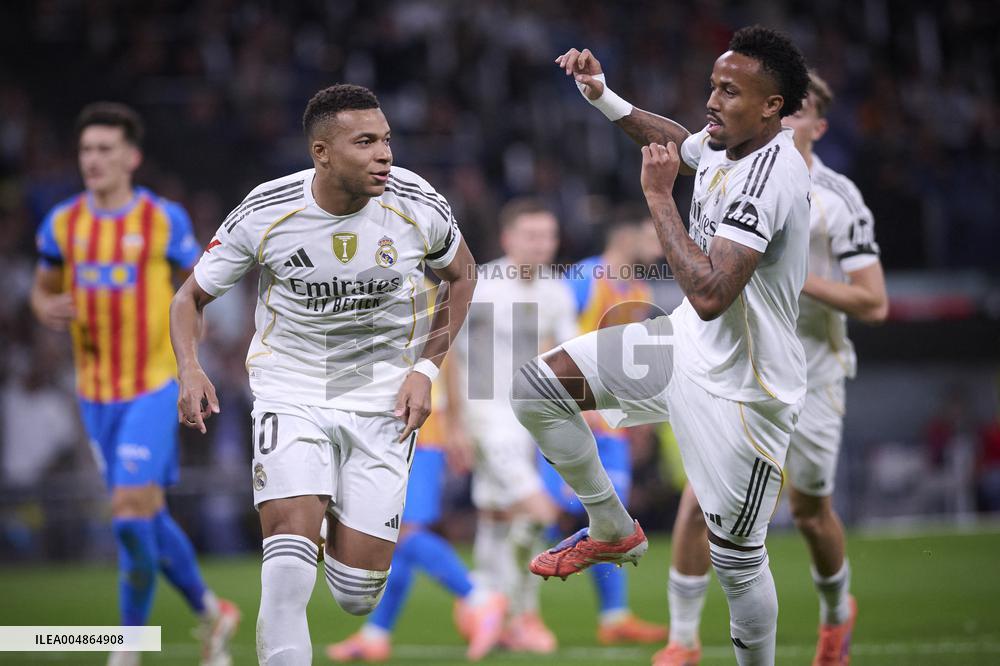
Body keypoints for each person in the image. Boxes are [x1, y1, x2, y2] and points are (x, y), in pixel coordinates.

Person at [511, 26, 811, 665]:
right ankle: (612, 526)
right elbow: (679, 145)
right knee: (536, 386)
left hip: (746, 392)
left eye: (730, 91)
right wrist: (604, 97)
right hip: (684, 347)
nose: (712, 100)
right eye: (712, 84)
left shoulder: (770, 177)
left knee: (736, 561)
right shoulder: (729, 143)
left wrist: (656, 197)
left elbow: (708, 292)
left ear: (772, 107)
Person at [169, 83, 477, 666]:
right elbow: (189, 297)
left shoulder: (417, 202)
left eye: (386, 139)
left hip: (384, 398)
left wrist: (424, 369)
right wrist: (190, 368)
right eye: (366, 142)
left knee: (357, 596)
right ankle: (303, 496)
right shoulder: (267, 211)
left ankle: (331, 499)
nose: (385, 153)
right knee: (287, 558)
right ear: (322, 153)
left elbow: (462, 276)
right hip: (292, 389)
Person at [659, 72, 888, 666]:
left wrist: (782, 272)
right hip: (737, 362)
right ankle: (682, 640)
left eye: (797, 114)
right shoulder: (732, 166)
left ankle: (837, 617)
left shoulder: (838, 199)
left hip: (811, 368)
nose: (782, 123)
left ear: (816, 125)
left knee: (810, 512)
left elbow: (875, 302)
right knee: (697, 501)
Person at [30, 102, 240, 666]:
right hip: (94, 392)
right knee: (145, 512)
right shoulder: (62, 223)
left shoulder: (162, 220)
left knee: (126, 509)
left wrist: (190, 365)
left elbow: (194, 291)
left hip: (151, 382)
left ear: (131, 156)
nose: (92, 160)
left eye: (104, 149)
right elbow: (42, 287)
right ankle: (211, 611)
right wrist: (46, 306)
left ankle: (126, 648)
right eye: (86, 150)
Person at [326, 300, 506, 663]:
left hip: (421, 426)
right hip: (381, 426)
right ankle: (377, 634)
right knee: (395, 537)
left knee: (405, 530)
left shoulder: (423, 293)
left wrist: (456, 424)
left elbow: (447, 361)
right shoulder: (371, 285)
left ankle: (479, 597)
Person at [541, 207, 668, 645]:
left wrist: (641, 419)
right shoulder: (583, 278)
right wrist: (577, 401)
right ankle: (509, 606)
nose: (661, 244)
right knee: (546, 512)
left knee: (614, 520)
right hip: (573, 419)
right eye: (653, 236)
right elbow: (548, 339)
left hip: (612, 427)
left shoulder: (637, 287)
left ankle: (614, 618)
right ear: (627, 234)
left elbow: (631, 360)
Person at [456, 198, 578, 653]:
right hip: (487, 417)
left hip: (528, 422)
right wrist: (452, 424)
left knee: (496, 517)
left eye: (548, 235)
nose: (541, 245)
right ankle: (522, 615)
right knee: (538, 512)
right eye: (531, 235)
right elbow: (450, 353)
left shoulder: (556, 292)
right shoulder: (481, 284)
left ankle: (486, 605)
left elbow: (567, 358)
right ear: (508, 239)